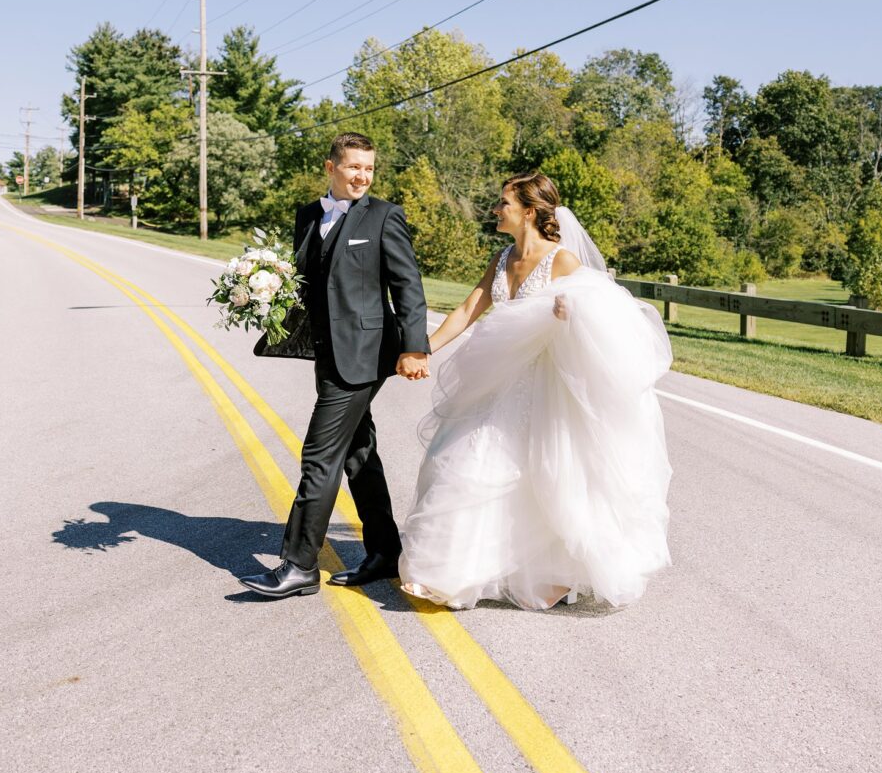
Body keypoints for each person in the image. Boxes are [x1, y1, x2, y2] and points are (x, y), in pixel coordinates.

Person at [397, 172, 673, 611]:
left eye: (503, 202)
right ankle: (446, 575)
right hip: (496, 384)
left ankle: (555, 575)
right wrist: (420, 349)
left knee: (548, 478)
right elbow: (470, 307)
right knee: (465, 468)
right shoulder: (502, 257)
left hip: (544, 390)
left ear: (529, 211)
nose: (495, 209)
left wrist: (571, 312)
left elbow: (607, 313)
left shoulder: (562, 262)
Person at [238, 133, 430, 600]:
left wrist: (414, 347)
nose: (363, 176)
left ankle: (300, 564)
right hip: (327, 352)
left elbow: (408, 285)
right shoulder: (309, 215)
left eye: (369, 168)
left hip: (366, 355)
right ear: (331, 168)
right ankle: (385, 551)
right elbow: (305, 279)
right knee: (357, 452)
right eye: (354, 167)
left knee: (319, 456)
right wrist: (259, 289)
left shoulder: (385, 216)